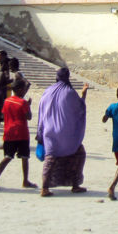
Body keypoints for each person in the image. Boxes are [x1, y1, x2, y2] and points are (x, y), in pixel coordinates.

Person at [37, 68, 89, 197]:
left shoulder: (47, 91)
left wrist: (40, 133)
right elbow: (79, 109)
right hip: (66, 133)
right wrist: (83, 95)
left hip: (49, 132)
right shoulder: (70, 93)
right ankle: (75, 185)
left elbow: (41, 112)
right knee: (79, 153)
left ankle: (44, 188)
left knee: (50, 158)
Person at [0, 78, 37, 190]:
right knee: (24, 158)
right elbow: (29, 117)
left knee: (7, 156)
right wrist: (28, 106)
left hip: (8, 132)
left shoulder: (7, 101)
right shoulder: (23, 102)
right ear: (21, 90)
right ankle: (25, 181)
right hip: (21, 133)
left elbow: (4, 114)